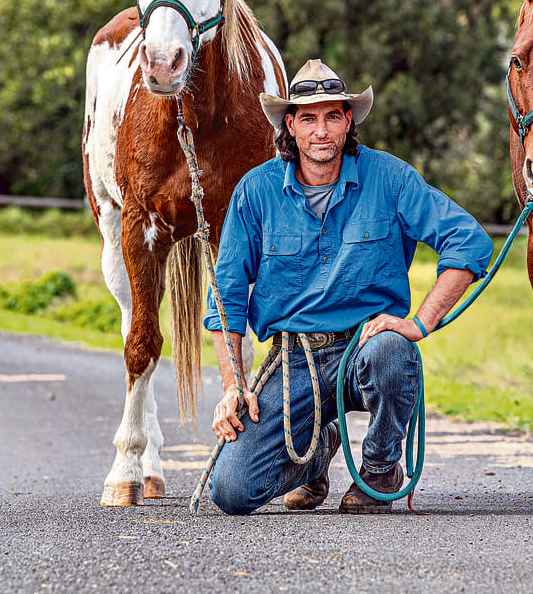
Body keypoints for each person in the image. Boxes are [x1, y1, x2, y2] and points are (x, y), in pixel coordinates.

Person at [204, 59, 493, 515]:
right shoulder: (254, 192)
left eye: (333, 116)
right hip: (293, 358)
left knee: (392, 350)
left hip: (366, 348)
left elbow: (470, 241)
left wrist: (419, 322)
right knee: (232, 492)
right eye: (308, 118)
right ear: (290, 127)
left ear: (348, 122)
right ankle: (317, 450)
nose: (322, 130)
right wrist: (233, 385)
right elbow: (225, 298)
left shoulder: (391, 178)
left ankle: (379, 469)